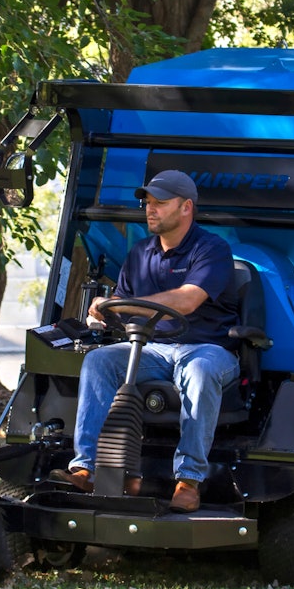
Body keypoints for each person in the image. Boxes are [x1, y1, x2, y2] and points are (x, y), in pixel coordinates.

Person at [49, 169, 240, 513]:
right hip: (153, 349)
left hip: (208, 349)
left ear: (186, 207)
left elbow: (186, 300)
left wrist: (127, 304)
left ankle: (188, 480)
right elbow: (122, 305)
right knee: (99, 360)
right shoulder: (139, 254)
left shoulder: (211, 249)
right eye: (148, 202)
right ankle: (86, 468)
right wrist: (103, 312)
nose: (150, 209)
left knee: (200, 371)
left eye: (160, 203)